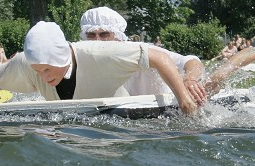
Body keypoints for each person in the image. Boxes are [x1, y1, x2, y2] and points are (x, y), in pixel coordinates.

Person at [0, 21, 199, 115]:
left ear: (64, 56)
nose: (43, 77)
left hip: (122, 125)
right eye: (38, 70)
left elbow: (156, 57)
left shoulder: (102, 54)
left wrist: (184, 99)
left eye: (48, 70)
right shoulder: (27, 65)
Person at [78, 7, 206, 104]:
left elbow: (191, 61)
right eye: (91, 35)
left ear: (117, 36)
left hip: (163, 109)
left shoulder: (139, 50)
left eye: (104, 34)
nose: (97, 40)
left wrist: (190, 79)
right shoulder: (84, 58)